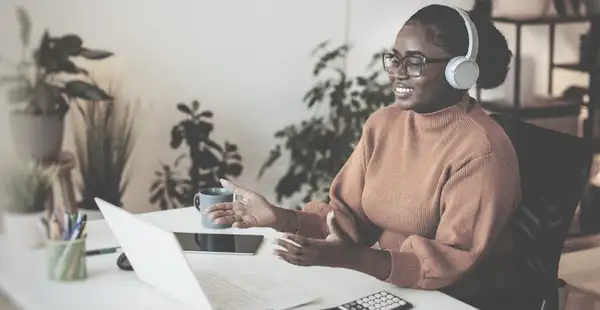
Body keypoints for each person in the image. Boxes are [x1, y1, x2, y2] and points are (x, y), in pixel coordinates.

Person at [207, 4, 525, 309]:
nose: (398, 73)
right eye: (394, 59)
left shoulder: (482, 151)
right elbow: (345, 217)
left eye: (415, 62)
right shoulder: (384, 123)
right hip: (390, 285)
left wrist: (355, 258)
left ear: (460, 71)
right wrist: (279, 217)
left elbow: (452, 263)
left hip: (456, 299)